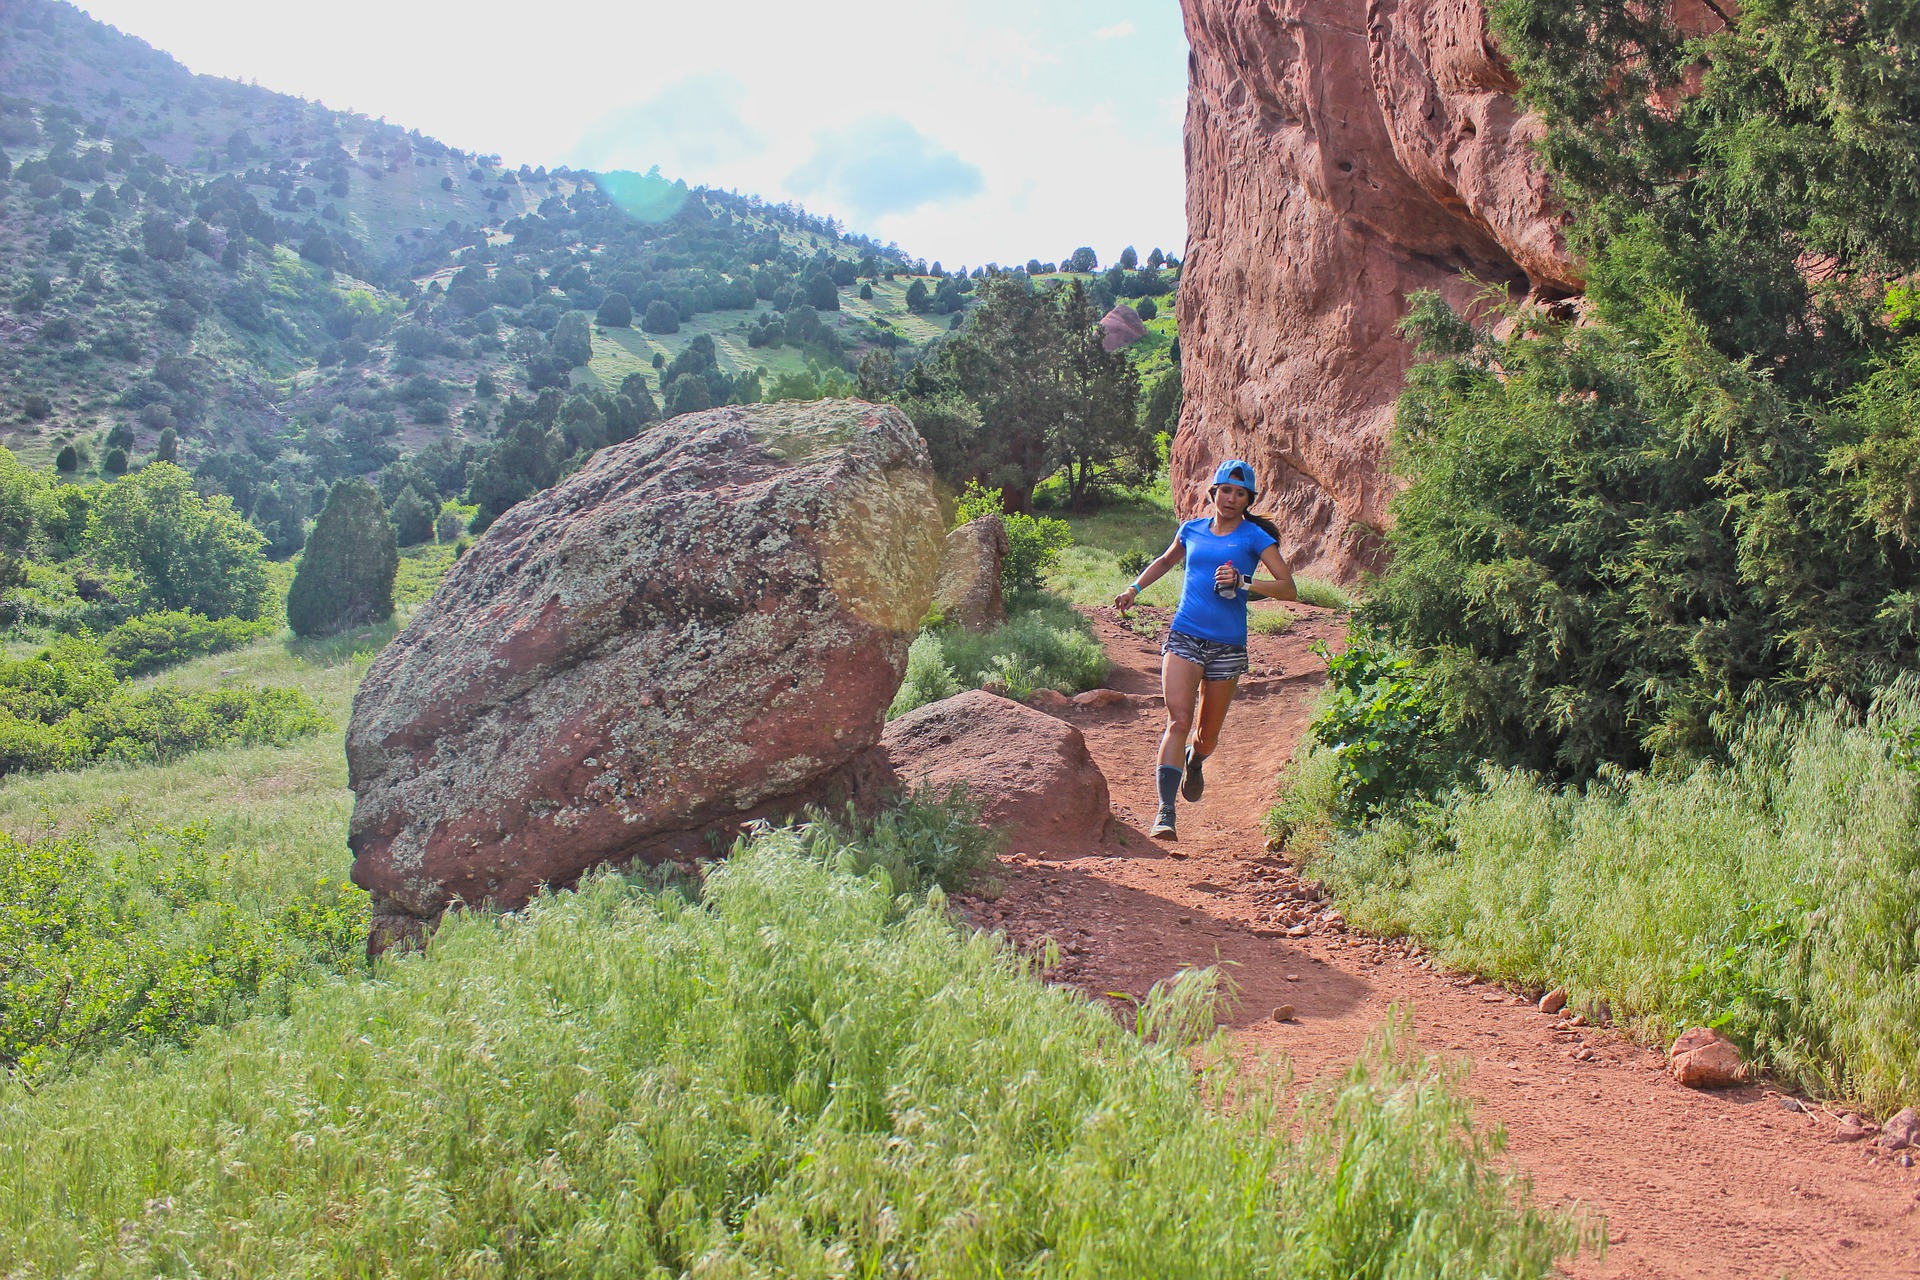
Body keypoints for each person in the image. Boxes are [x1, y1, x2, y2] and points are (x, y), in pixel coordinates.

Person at [1114, 459, 1296, 840]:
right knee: (1178, 721)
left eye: (1240, 493)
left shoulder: (1254, 537)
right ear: (1213, 493)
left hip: (1227, 645)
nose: (1231, 499)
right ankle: (1166, 812)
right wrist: (1134, 588)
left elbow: (1287, 587)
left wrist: (1245, 581)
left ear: (1248, 500)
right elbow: (1166, 560)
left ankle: (1196, 762)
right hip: (1185, 634)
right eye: (1225, 490)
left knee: (1206, 736)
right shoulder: (1191, 529)